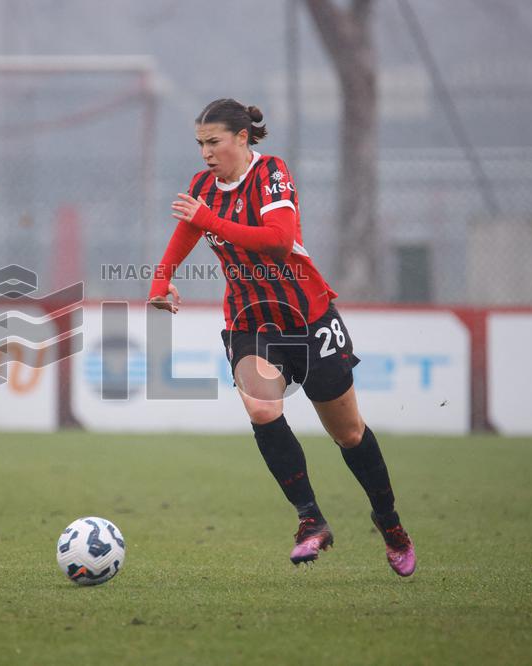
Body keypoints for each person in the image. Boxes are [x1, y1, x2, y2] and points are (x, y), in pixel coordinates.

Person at [148, 98, 416, 576]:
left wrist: (208, 219)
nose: (206, 153)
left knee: (349, 433)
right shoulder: (202, 186)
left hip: (307, 317)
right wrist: (159, 282)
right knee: (262, 407)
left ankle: (390, 523)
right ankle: (310, 520)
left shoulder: (272, 173)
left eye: (214, 142)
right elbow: (188, 231)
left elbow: (276, 237)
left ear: (242, 138)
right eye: (200, 144)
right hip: (250, 322)